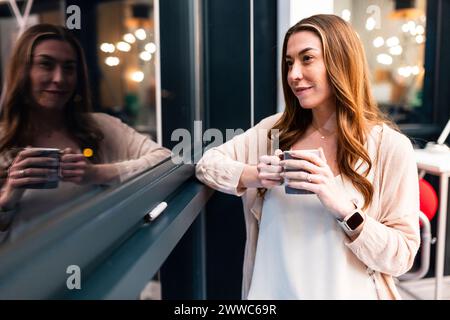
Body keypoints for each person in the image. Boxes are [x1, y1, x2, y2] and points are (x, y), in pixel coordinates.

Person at [196, 14, 420, 300]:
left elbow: (401, 257)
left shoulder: (390, 147)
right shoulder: (273, 132)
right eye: (289, 62)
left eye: (307, 59)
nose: (293, 74)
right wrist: (254, 175)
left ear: (341, 63)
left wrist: (343, 207)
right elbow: (207, 165)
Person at [0, 24, 171, 233]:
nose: (59, 78)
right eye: (46, 65)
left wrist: (97, 173)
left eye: (69, 68)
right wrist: (8, 197)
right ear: (22, 71)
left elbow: (167, 161)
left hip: (105, 260)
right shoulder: (3, 139)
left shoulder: (101, 127)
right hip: (31, 264)